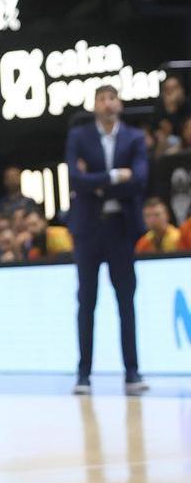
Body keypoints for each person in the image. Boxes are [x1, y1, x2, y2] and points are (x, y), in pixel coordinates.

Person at [66, 85, 148, 396]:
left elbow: (139, 180)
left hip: (121, 229)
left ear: (120, 104)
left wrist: (96, 182)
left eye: (112, 97)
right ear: (94, 105)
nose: (107, 103)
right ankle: (84, 374)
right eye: (102, 98)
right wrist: (115, 176)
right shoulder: (79, 136)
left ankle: (132, 372)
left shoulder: (134, 137)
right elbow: (75, 179)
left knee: (126, 302)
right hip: (89, 230)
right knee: (86, 302)